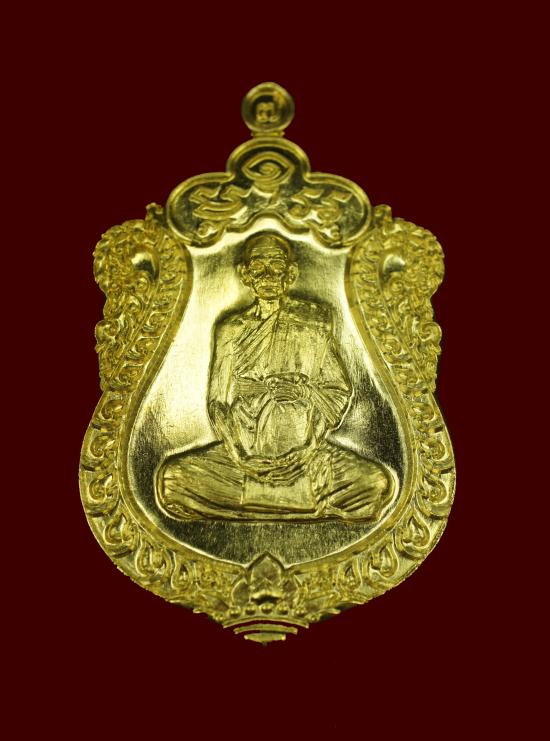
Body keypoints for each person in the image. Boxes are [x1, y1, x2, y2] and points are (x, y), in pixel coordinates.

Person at [156, 231, 394, 520]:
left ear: (290, 274)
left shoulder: (312, 322)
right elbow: (217, 403)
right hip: (241, 460)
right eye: (258, 266)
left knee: (374, 483)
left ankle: (262, 505)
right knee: (173, 480)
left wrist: (305, 399)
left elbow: (337, 392)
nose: (268, 275)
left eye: (276, 265)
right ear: (245, 274)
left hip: (308, 456)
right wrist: (239, 454)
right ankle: (299, 505)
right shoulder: (230, 329)